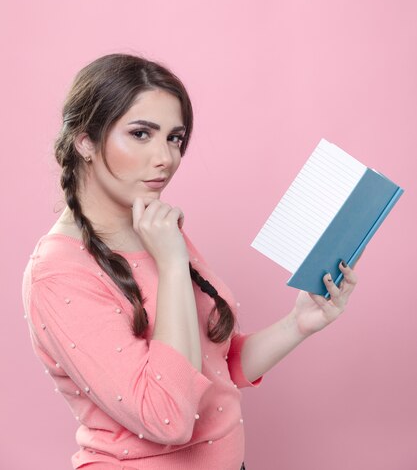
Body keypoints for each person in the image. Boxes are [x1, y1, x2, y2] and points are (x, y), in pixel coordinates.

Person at [22, 53, 359, 470]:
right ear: (85, 141)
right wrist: (171, 264)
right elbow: (169, 416)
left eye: (175, 138)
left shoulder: (158, 230)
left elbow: (214, 370)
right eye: (141, 134)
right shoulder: (59, 273)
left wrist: (299, 323)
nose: (166, 158)